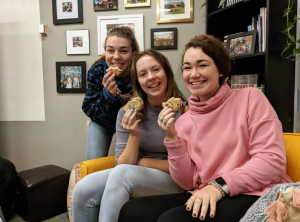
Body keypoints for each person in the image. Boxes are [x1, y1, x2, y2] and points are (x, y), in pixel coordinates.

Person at [118, 34, 293, 222]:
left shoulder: (251, 98)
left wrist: (218, 186)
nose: (194, 74)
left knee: (171, 220)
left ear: (220, 70)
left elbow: (272, 160)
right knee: (132, 211)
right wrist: (171, 137)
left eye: (202, 65)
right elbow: (186, 182)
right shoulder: (184, 120)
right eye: (187, 68)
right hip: (207, 192)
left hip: (255, 192)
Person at [72, 49, 188, 222]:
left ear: (167, 72)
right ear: (138, 81)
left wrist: (143, 162)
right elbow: (122, 164)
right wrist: (134, 135)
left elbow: (190, 168)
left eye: (156, 70)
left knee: (123, 174)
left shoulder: (186, 112)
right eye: (143, 74)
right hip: (132, 171)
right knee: (83, 188)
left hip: (176, 178)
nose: (150, 77)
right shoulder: (127, 112)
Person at [82, 27, 139, 160]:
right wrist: (108, 96)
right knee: (94, 162)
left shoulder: (141, 69)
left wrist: (134, 101)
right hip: (103, 122)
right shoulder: (97, 70)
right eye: (110, 50)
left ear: (133, 54)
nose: (116, 56)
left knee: (132, 160)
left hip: (133, 120)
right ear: (105, 52)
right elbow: (89, 108)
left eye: (123, 51)